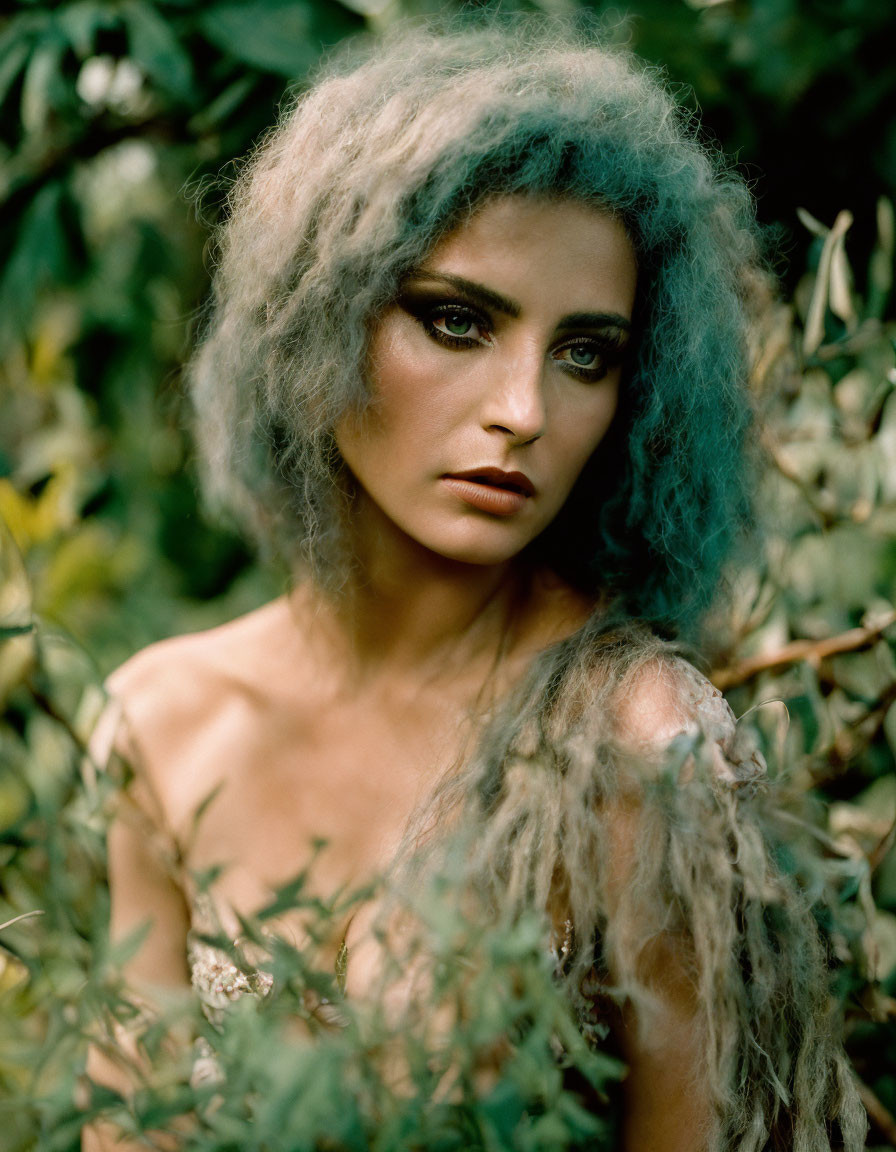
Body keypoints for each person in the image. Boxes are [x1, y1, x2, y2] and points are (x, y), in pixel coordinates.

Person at [84, 18, 866, 1152]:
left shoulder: (641, 752)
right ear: (317, 315)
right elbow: (122, 1126)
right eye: (456, 321)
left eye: (584, 353)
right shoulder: (161, 724)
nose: (524, 411)